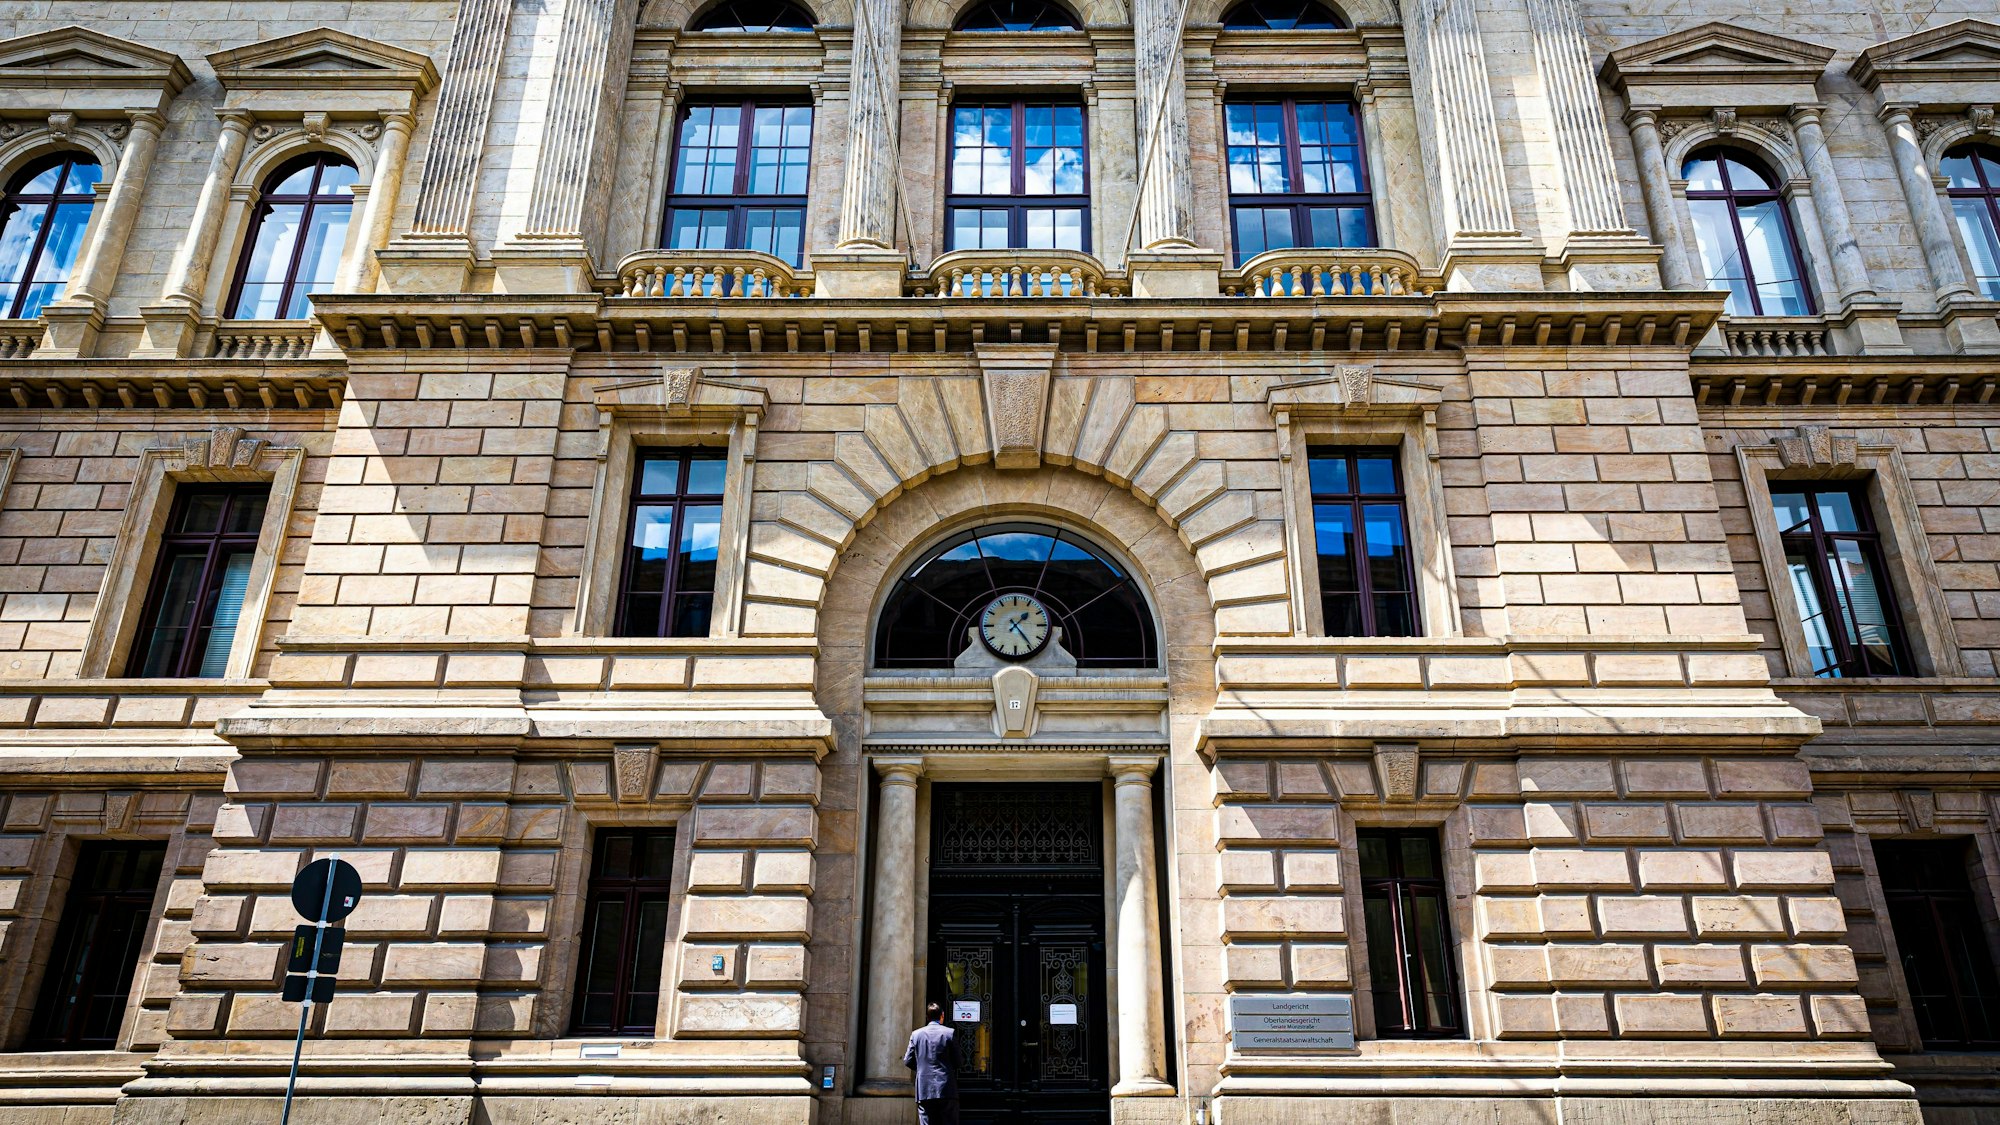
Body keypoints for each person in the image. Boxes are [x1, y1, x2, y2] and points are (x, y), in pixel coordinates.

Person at [903, 1002, 958, 1125]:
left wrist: (922, 1069)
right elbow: (958, 1061)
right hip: (946, 1088)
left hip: (924, 1088)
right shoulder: (949, 1033)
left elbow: (908, 1060)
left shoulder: (916, 1035)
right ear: (942, 1015)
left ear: (927, 1017)